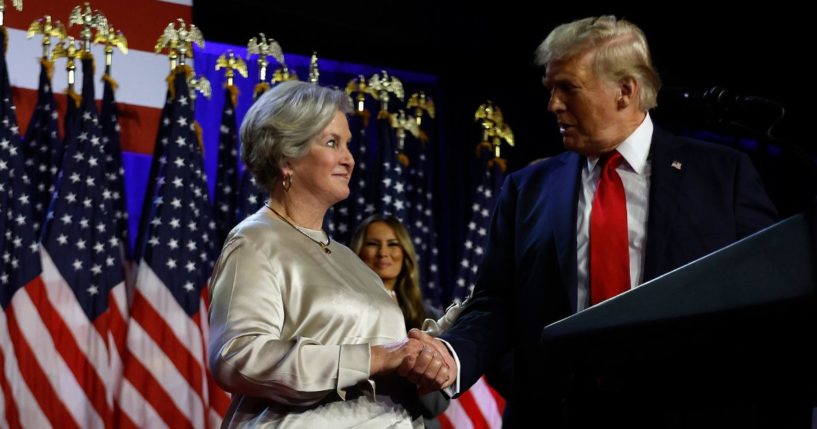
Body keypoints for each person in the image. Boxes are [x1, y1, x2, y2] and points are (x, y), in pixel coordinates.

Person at [408, 15, 779, 427]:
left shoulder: (723, 177)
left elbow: (769, 301)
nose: (553, 105)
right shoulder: (526, 189)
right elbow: (496, 302)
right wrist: (453, 353)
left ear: (626, 90)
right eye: (550, 89)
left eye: (568, 87)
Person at [207, 80, 450, 428]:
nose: (348, 159)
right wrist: (374, 359)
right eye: (332, 143)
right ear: (286, 157)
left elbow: (389, 354)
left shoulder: (349, 259)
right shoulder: (255, 241)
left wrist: (437, 341)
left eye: (348, 144)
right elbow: (236, 358)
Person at [350, 214, 451, 429]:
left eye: (393, 244)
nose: (383, 253)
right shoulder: (343, 313)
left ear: (405, 253)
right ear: (358, 252)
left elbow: (436, 404)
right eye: (373, 244)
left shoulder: (430, 317)